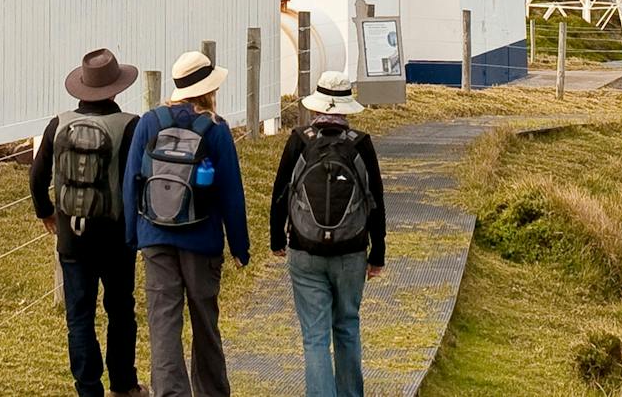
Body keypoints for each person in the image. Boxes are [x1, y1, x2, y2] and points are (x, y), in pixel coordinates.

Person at [125, 50, 250, 397]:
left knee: (163, 321)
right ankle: (211, 391)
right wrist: (239, 246)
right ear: (208, 89)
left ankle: (169, 392)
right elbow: (231, 193)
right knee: (204, 321)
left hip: (155, 236)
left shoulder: (149, 122)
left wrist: (133, 236)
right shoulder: (216, 128)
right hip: (202, 237)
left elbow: (131, 181)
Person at [30, 48, 148, 397]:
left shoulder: (58, 123)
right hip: (115, 236)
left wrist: (47, 212)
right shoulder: (130, 125)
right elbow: (136, 180)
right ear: (116, 89)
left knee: (79, 317)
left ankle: (88, 389)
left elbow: (37, 177)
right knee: (120, 309)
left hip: (72, 236)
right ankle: (124, 384)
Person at [269, 72, 386, 397]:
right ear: (347, 107)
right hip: (351, 252)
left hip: (305, 251)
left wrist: (277, 239)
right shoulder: (360, 143)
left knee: (315, 337)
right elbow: (375, 200)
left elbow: (281, 193)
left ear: (317, 106)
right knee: (347, 326)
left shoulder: (300, 139)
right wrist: (378, 254)